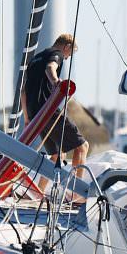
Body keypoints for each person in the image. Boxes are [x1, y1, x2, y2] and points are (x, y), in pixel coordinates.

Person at [20, 33, 89, 196]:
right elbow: (50, 68)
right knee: (82, 147)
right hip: (47, 110)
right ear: (66, 46)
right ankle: (76, 195)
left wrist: (27, 118)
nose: (66, 58)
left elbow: (23, 90)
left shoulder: (35, 58)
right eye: (69, 54)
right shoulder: (55, 54)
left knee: (57, 154)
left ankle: (38, 193)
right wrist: (57, 83)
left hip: (35, 114)